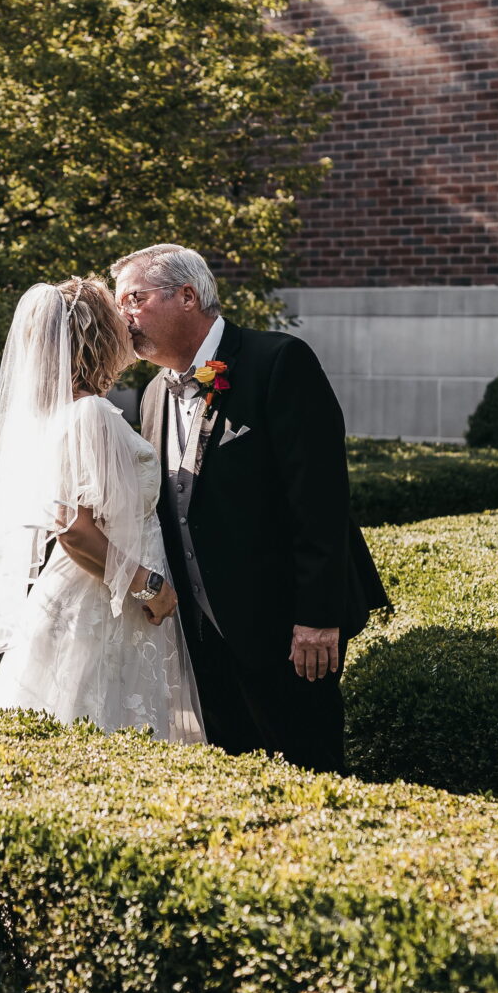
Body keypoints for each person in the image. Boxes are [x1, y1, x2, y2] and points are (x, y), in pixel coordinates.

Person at [113, 244, 387, 773]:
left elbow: (320, 500)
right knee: (234, 777)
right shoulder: (152, 396)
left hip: (289, 633)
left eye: (134, 299)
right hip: (201, 635)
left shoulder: (279, 361)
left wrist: (317, 618)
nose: (124, 316)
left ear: (187, 296)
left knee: (311, 773)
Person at [0, 278, 208, 744]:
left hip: (107, 597)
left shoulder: (67, 411)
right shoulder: (89, 414)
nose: (129, 323)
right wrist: (150, 587)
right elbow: (72, 528)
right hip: (103, 605)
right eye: (119, 316)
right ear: (98, 336)